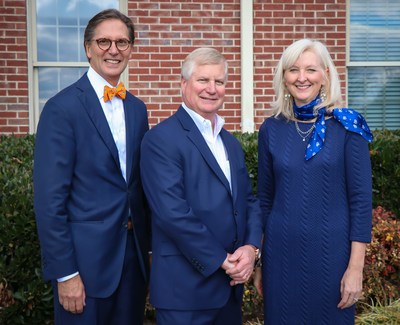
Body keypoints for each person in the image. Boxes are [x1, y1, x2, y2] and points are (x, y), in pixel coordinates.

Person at [33, 9, 150, 325]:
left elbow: (137, 186)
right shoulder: (62, 108)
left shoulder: (137, 110)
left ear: (131, 49)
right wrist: (66, 273)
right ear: (87, 48)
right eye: (104, 41)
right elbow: (49, 201)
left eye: (122, 42)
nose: (114, 50)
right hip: (84, 266)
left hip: (132, 259)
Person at [140, 47, 263, 325]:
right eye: (203, 80)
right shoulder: (161, 139)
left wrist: (251, 249)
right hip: (185, 294)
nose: (212, 89)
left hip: (229, 293)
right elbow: (172, 212)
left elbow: (248, 202)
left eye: (219, 82)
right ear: (184, 84)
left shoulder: (229, 142)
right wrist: (223, 260)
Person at [254, 38, 373, 324]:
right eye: (293, 70)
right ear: (284, 77)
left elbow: (361, 202)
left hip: (333, 257)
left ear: (326, 75)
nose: (302, 77)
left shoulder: (348, 126)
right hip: (280, 257)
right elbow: (265, 200)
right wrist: (260, 262)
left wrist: (355, 268)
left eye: (311, 70)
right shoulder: (271, 128)